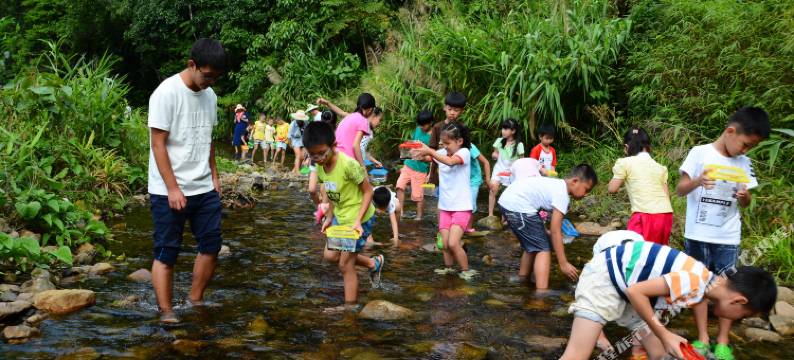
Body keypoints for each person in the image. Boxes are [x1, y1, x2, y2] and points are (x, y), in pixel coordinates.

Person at [560, 231, 777, 360]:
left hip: (628, 286)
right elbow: (636, 291)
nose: (733, 319)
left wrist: (656, 338)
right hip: (605, 278)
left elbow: (655, 298)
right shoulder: (696, 280)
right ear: (738, 301)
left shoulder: (704, 285)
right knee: (578, 354)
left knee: (661, 354)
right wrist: (665, 335)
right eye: (739, 316)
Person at [675, 106, 770, 359]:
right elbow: (680, 189)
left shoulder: (744, 163)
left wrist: (745, 196)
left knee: (729, 287)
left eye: (751, 147)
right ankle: (703, 337)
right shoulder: (699, 153)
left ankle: (723, 340)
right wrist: (697, 181)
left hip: (728, 236)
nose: (745, 150)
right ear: (730, 131)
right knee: (698, 286)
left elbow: (747, 203)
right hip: (697, 233)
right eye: (745, 144)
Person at [147, 38, 226, 323]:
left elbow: (209, 138)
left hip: (203, 186)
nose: (211, 81)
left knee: (211, 245)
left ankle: (195, 299)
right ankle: (166, 311)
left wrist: (215, 175)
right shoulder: (165, 93)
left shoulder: (211, 95)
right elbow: (158, 144)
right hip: (167, 188)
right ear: (191, 65)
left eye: (216, 77)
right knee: (167, 251)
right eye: (207, 75)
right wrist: (172, 188)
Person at [302, 121, 385, 312]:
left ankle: (350, 307)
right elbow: (330, 193)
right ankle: (374, 263)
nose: (319, 158)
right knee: (330, 255)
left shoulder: (348, 165)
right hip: (340, 217)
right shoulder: (320, 166)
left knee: (345, 265)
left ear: (334, 145)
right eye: (313, 155)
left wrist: (357, 221)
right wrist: (329, 216)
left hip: (360, 218)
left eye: (322, 153)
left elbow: (368, 192)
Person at [498, 165, 595, 288]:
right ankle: (541, 293)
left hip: (508, 201)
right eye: (586, 190)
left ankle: (522, 280)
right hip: (518, 205)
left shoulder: (555, 184)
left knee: (532, 245)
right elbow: (555, 230)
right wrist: (563, 263)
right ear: (575, 181)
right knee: (543, 248)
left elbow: (536, 205)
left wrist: (542, 231)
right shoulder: (562, 195)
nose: (585, 194)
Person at [411, 122, 477, 281]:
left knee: (454, 243)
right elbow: (430, 157)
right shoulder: (441, 152)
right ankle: (448, 268)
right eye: (443, 143)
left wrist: (430, 151)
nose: (445, 146)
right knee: (444, 243)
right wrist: (418, 154)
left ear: (459, 141)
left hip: (461, 206)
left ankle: (466, 270)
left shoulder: (464, 152)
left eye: (448, 143)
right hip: (445, 206)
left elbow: (450, 161)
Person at [608, 127, 673, 245]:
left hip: (644, 215)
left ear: (626, 147)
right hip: (665, 215)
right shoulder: (659, 167)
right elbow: (666, 195)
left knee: (636, 253)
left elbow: (612, 189)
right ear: (649, 147)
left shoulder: (625, 163)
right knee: (657, 254)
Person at [318, 96, 383, 167]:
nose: (380, 123)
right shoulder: (357, 120)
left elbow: (361, 150)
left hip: (353, 162)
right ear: (373, 115)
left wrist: (374, 161)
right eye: (380, 119)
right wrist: (327, 103)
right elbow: (341, 112)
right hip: (349, 161)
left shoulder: (369, 131)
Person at [395, 110, 434, 221]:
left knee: (418, 196)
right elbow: (413, 144)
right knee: (399, 185)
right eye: (420, 124)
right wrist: (405, 146)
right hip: (408, 164)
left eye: (424, 124)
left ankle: (419, 217)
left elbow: (434, 157)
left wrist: (430, 174)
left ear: (430, 122)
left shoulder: (433, 137)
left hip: (420, 169)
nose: (421, 127)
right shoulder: (418, 129)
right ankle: (401, 211)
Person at [428, 92, 467, 186]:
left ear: (462, 111)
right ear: (444, 108)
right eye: (449, 109)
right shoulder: (437, 127)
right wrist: (430, 173)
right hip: (439, 168)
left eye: (456, 110)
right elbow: (432, 151)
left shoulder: (462, 128)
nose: (452, 112)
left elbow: (465, 150)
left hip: (456, 169)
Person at [488, 118, 525, 217]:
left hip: (511, 172)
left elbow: (522, 160)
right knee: (493, 189)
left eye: (506, 129)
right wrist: (494, 155)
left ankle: (504, 218)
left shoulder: (519, 145)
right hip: (499, 169)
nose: (503, 131)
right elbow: (495, 153)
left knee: (507, 194)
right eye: (503, 128)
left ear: (513, 131)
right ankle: (490, 214)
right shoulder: (499, 141)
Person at [308, 110, 340, 206]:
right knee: (312, 190)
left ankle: (325, 213)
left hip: (329, 163)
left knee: (324, 191)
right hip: (316, 161)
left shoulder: (337, 132)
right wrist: (308, 157)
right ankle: (320, 209)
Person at [466, 140, 492, 231]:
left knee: (470, 205)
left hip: (473, 179)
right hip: (461, 180)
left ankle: (468, 228)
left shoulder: (470, 146)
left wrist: (488, 180)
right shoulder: (450, 146)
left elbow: (486, 162)